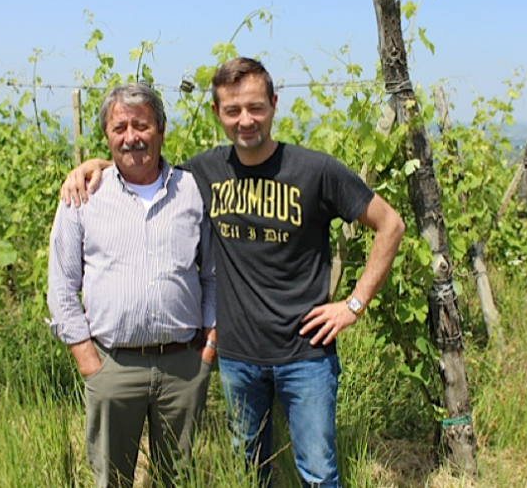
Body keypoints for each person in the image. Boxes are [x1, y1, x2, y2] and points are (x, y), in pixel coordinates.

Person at [61, 58, 405, 488]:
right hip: (238, 359)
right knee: (250, 473)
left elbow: (390, 224)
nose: (246, 120)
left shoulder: (315, 170)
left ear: (274, 105)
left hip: (306, 356)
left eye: (256, 107)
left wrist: (353, 305)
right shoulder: (202, 173)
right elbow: (142, 167)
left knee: (319, 472)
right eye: (233, 111)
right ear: (217, 114)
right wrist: (96, 167)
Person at [47, 83, 217, 488]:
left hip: (183, 365)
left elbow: (213, 275)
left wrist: (208, 348)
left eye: (140, 125)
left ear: (160, 128)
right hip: (112, 364)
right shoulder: (84, 194)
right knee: (112, 479)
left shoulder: (193, 191)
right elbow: (61, 286)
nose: (131, 137)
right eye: (119, 127)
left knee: (177, 478)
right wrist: (88, 360)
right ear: (106, 136)